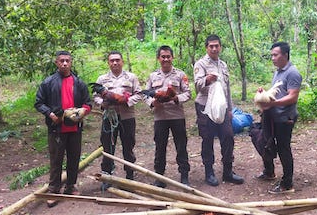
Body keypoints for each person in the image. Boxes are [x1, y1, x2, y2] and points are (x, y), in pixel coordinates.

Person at [35, 51, 92, 207]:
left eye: (67, 60)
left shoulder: (79, 83)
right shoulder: (48, 83)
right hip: (56, 128)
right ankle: (54, 189)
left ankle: (71, 186)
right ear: (56, 63)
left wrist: (82, 112)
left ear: (71, 62)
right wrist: (50, 113)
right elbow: (39, 103)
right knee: (56, 159)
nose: (65, 63)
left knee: (74, 158)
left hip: (75, 127)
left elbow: (88, 103)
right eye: (62, 61)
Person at [193, 34, 244, 186]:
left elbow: (226, 88)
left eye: (217, 46)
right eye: (211, 46)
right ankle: (209, 172)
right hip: (205, 107)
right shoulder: (200, 64)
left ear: (220, 47)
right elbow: (197, 86)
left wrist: (230, 108)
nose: (214, 48)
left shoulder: (223, 65)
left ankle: (228, 171)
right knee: (207, 139)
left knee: (228, 137)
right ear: (206, 48)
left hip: (222, 107)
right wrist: (208, 79)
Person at [256, 41, 301, 194]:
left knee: (283, 148)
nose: (273, 58)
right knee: (264, 141)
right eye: (272, 55)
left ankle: (287, 184)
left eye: (275, 55)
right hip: (274, 116)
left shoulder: (293, 72)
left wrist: (273, 104)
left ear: (285, 55)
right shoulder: (278, 71)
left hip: (285, 118)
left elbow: (293, 97)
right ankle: (269, 172)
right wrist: (265, 94)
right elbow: (277, 92)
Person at [94, 51, 143, 186]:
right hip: (109, 117)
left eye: (117, 60)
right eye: (112, 60)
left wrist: (126, 101)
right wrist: (102, 103)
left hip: (127, 117)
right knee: (108, 145)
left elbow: (139, 94)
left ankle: (129, 174)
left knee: (128, 145)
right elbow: (95, 97)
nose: (115, 63)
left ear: (122, 62)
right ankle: (107, 175)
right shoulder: (102, 79)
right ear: (108, 63)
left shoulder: (131, 77)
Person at [145, 45, 191, 187]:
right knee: (160, 147)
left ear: (172, 57)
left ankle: (184, 175)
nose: (166, 59)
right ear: (158, 58)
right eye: (163, 56)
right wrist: (153, 103)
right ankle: (160, 177)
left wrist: (176, 98)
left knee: (181, 146)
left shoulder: (180, 75)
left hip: (177, 116)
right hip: (160, 117)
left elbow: (188, 93)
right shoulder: (153, 76)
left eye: (168, 56)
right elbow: (145, 95)